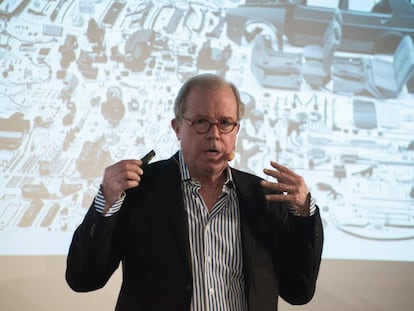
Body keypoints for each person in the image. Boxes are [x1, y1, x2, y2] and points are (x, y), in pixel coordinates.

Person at [66, 73, 323, 311]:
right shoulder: (139, 190)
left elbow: (298, 292)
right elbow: (83, 278)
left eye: (225, 123)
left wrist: (304, 213)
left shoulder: (265, 197)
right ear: (177, 127)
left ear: (237, 131)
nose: (214, 135)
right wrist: (106, 201)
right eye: (201, 122)